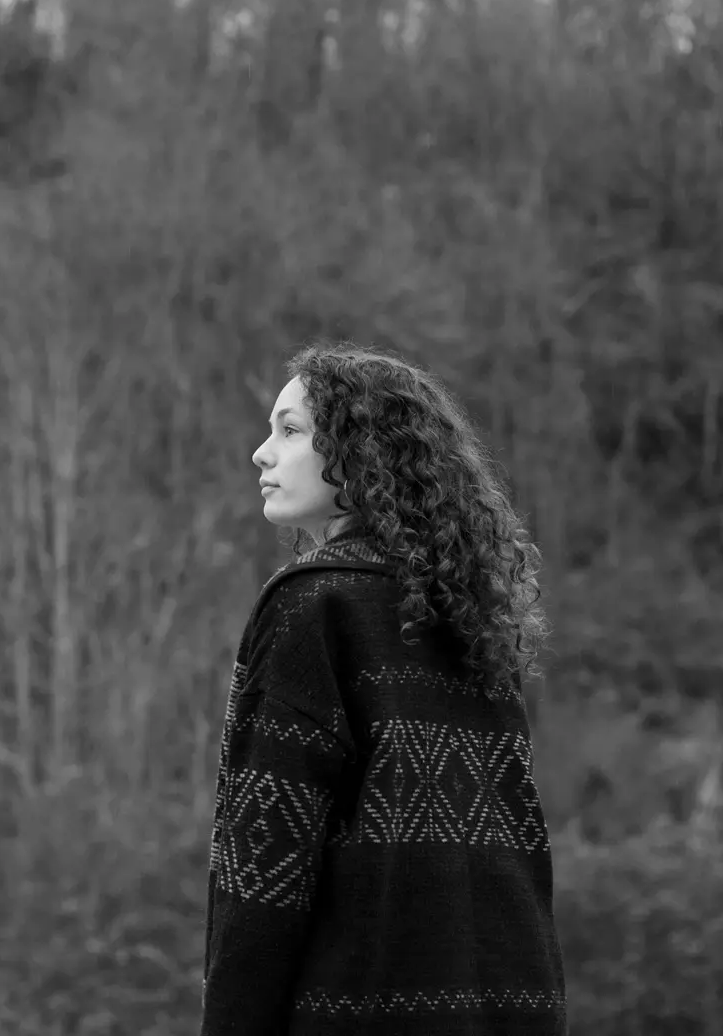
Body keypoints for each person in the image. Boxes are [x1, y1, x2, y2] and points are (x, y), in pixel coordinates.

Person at [201, 342, 569, 1035]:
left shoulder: (314, 607)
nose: (261, 452)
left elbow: (265, 873)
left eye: (289, 430)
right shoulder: (467, 618)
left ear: (357, 452)